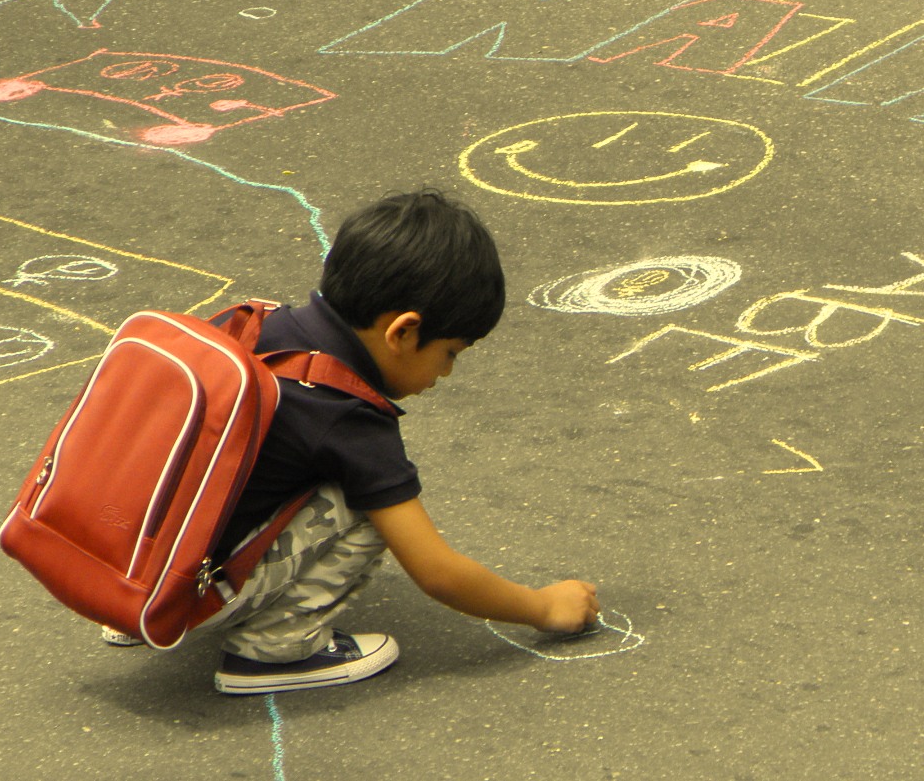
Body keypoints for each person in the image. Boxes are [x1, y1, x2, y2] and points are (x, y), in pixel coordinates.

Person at [104, 189, 600, 694]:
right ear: (404, 332)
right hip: (180, 590)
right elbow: (437, 572)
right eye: (450, 353)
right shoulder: (350, 418)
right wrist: (542, 606)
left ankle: (131, 610)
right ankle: (276, 650)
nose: (447, 373)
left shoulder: (252, 328)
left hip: (111, 560)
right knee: (371, 500)